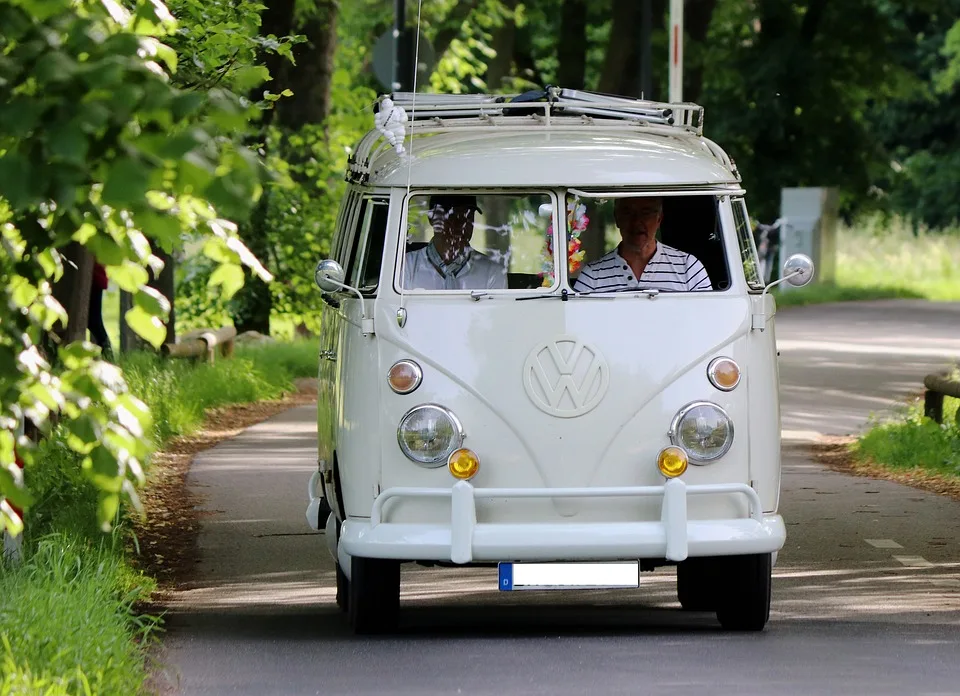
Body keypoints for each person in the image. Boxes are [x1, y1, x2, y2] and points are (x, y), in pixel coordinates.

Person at [572, 196, 712, 293]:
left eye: (646, 213)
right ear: (617, 218)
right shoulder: (592, 276)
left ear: (659, 219)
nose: (637, 222)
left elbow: (708, 320)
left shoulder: (689, 268)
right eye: (628, 213)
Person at [403, 194, 507, 290]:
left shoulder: (493, 272)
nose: (461, 224)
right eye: (451, 216)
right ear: (432, 218)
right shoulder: (406, 266)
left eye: (468, 216)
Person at [88, 261, 112, 357]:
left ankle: (107, 352)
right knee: (94, 321)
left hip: (95, 279)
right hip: (95, 277)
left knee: (94, 321)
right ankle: (107, 352)